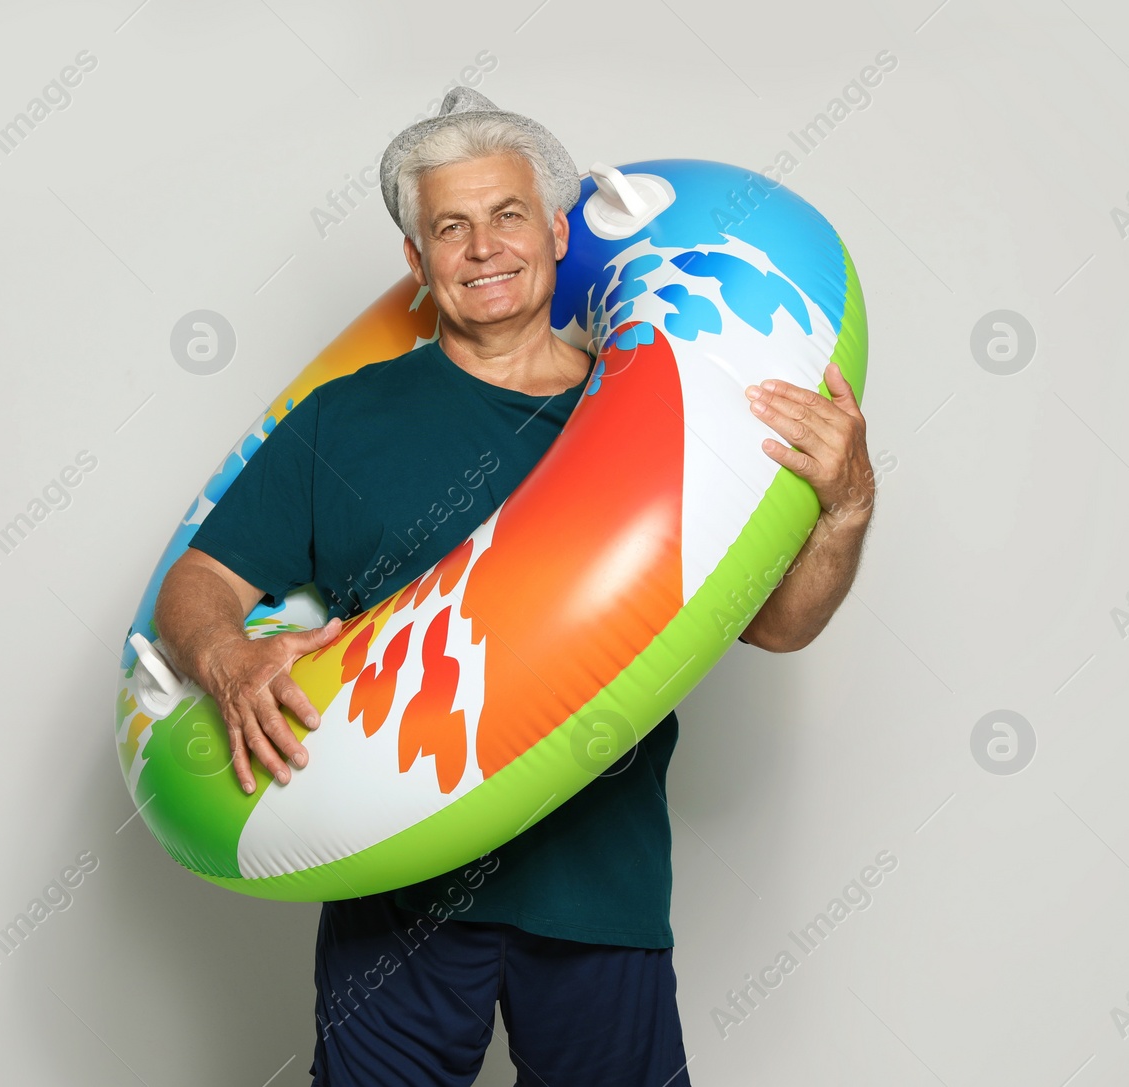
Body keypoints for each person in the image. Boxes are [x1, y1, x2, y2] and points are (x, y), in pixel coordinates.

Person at [152, 88, 875, 1087]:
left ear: (556, 230)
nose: (482, 247)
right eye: (449, 227)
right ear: (417, 261)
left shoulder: (661, 410)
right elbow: (200, 576)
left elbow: (779, 627)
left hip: (599, 890)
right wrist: (223, 652)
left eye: (504, 216)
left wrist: (842, 511)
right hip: (393, 886)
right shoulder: (344, 419)